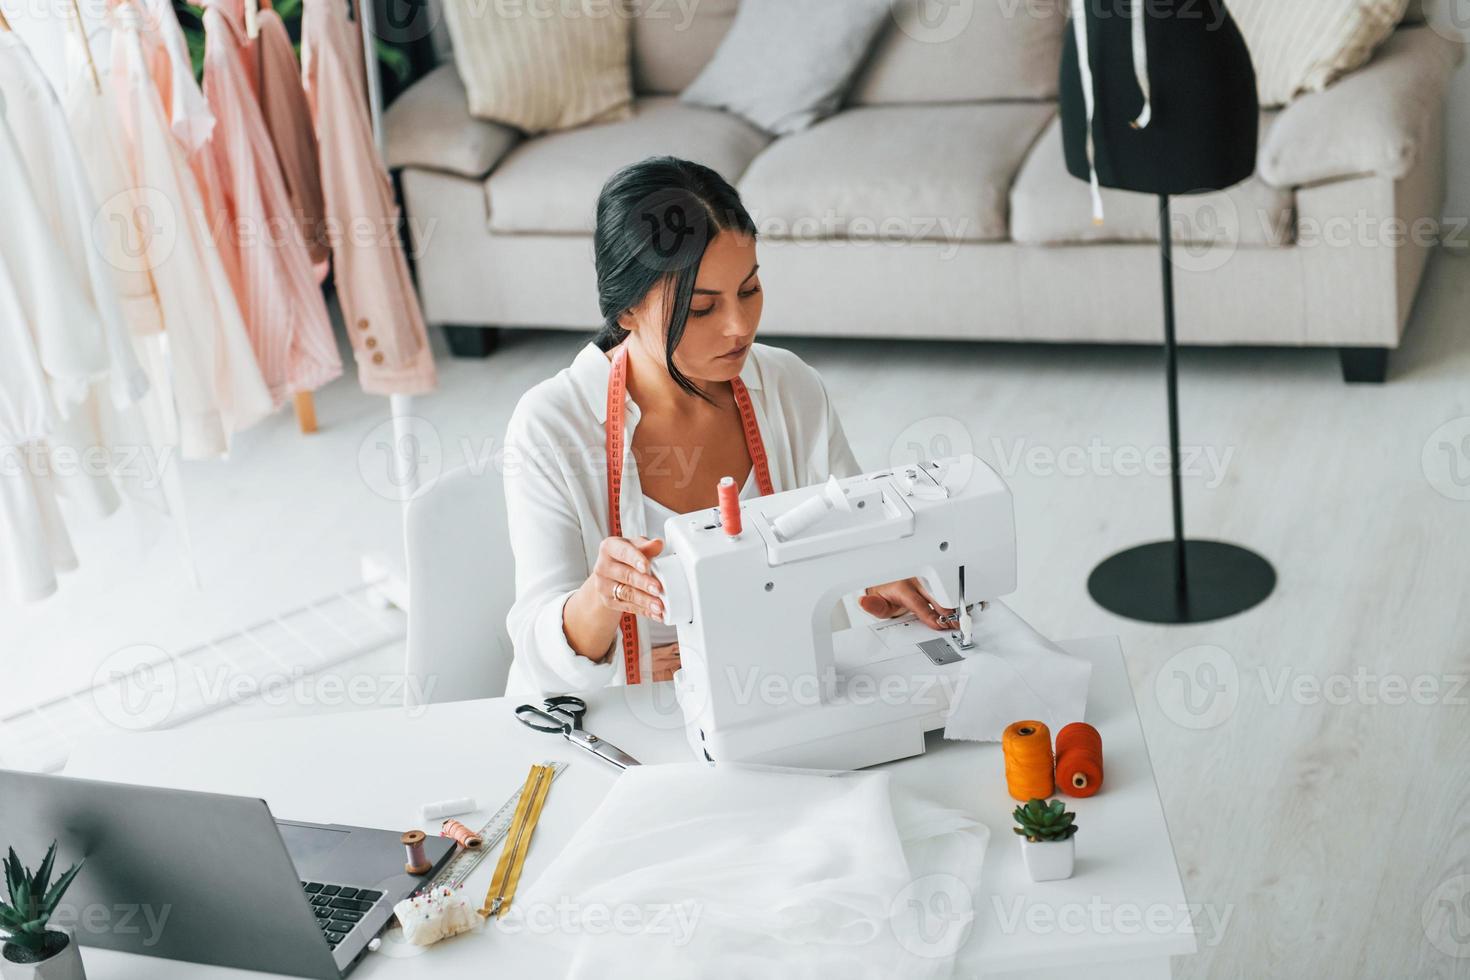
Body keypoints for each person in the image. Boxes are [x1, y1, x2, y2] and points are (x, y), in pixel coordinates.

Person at [502, 156, 956, 695]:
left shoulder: (789, 386)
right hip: (624, 714)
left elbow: (855, 526)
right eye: (700, 310)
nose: (740, 328)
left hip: (782, 685)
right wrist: (602, 596)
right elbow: (536, 647)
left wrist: (883, 569)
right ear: (625, 312)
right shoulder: (551, 426)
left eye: (749, 290)